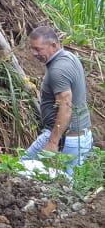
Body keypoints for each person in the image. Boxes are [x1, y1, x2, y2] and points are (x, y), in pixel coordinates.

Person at [23, 24, 93, 172]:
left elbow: (66, 106)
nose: (34, 53)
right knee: (64, 185)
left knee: (21, 170)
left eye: (38, 49)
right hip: (78, 137)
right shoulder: (69, 57)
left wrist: (53, 142)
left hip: (65, 140)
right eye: (32, 48)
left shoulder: (58, 70)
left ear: (53, 45)